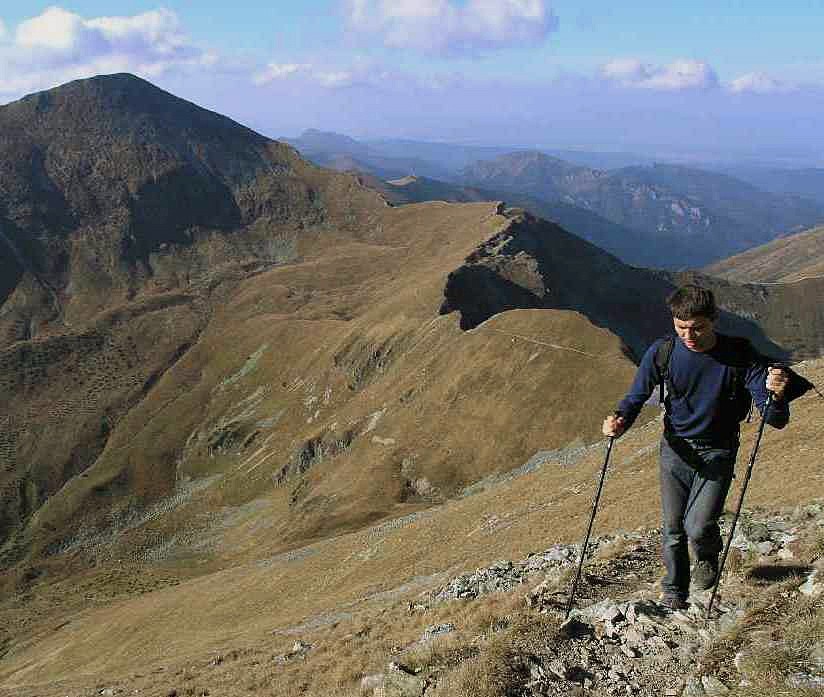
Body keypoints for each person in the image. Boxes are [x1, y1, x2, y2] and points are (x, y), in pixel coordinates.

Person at [602, 284, 790, 610]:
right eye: (681, 327)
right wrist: (618, 420)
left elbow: (773, 417)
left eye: (697, 327)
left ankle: (707, 554)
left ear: (714, 320)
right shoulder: (663, 353)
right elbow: (635, 396)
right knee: (673, 529)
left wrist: (777, 394)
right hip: (675, 450)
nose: (689, 335)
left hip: (718, 451)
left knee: (698, 525)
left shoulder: (740, 355)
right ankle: (675, 591)